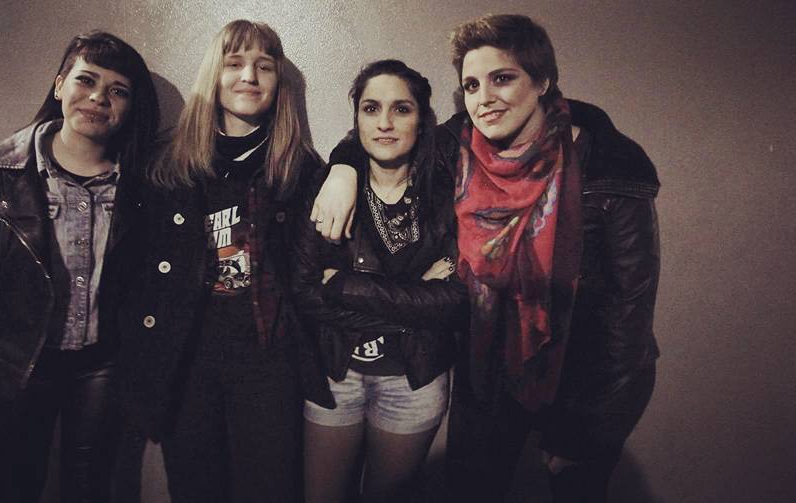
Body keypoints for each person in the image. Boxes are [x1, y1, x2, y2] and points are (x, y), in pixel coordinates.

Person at [312, 14, 660, 503]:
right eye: (472, 85)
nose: (484, 98)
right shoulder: (457, 146)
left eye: (502, 78)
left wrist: (588, 432)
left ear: (542, 80)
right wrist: (343, 169)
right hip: (487, 372)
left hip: (579, 377)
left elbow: (628, 313)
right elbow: (384, 133)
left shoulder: (609, 163)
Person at [0, 31, 160, 503]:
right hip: (17, 363)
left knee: (92, 489)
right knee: (15, 488)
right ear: (60, 85)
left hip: (103, 364)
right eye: (86, 80)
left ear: (130, 107)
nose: (98, 98)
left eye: (117, 90)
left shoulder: (144, 184)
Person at [115, 19, 319, 503]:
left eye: (264, 66)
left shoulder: (299, 166)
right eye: (235, 63)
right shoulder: (166, 162)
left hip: (268, 364)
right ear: (215, 74)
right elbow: (130, 271)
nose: (249, 76)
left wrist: (347, 168)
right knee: (195, 489)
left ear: (278, 81)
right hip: (187, 362)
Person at [292, 60, 467, 503]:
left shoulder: (448, 192)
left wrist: (344, 285)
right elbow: (307, 293)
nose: (385, 123)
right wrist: (417, 300)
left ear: (421, 120)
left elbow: (453, 302)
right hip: (337, 376)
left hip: (413, 383)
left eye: (400, 109)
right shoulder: (326, 186)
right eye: (371, 108)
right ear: (357, 119)